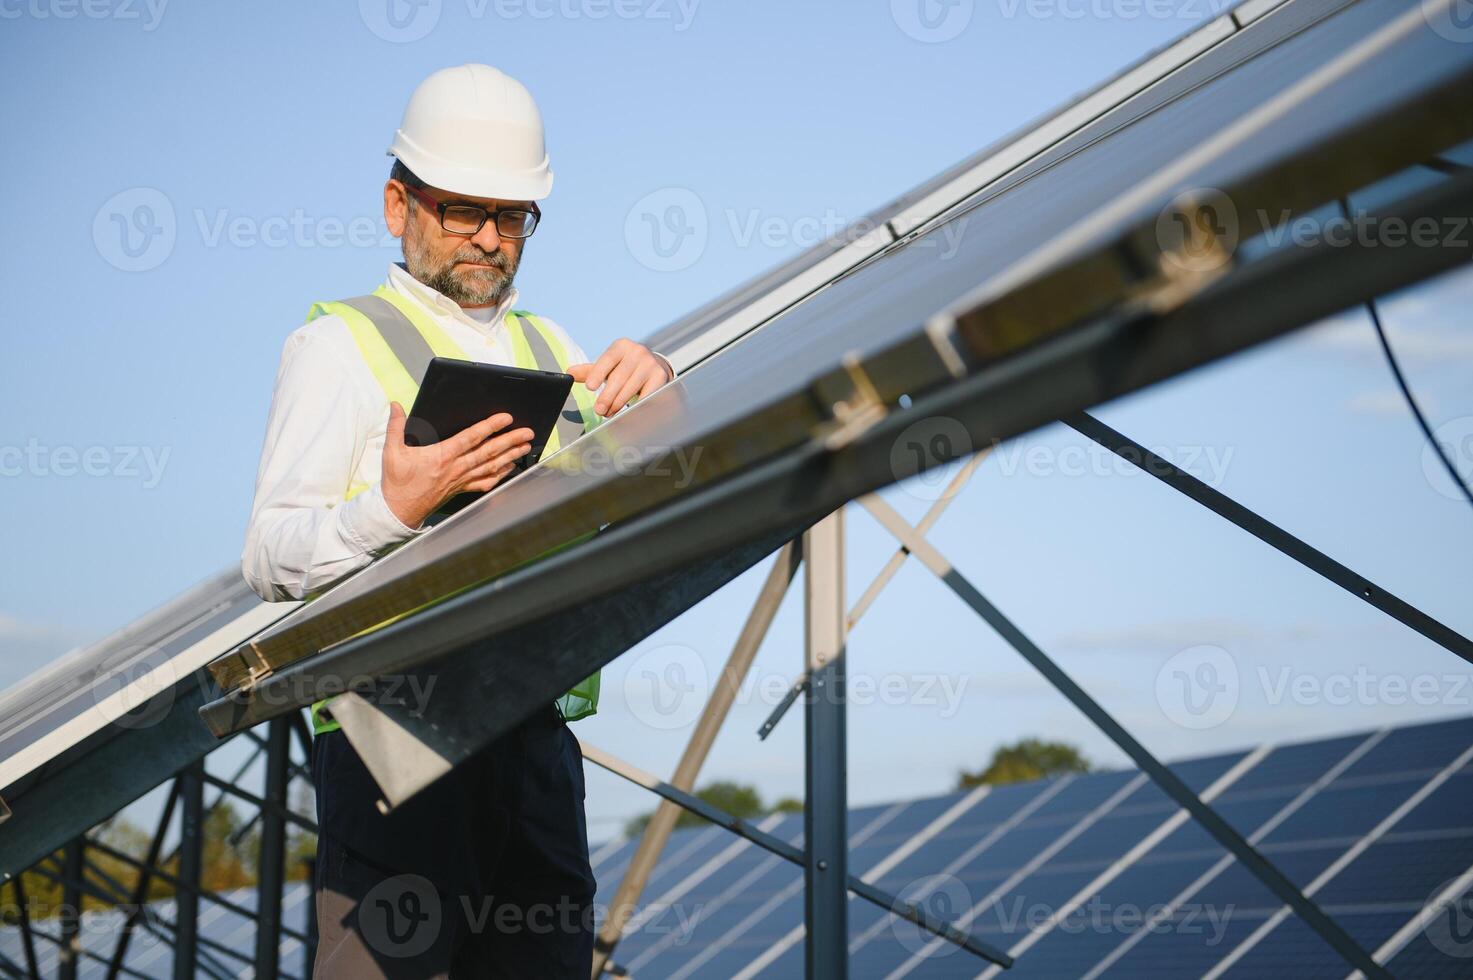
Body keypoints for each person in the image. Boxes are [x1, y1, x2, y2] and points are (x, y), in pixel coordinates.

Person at [240, 64, 675, 978]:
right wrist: (389, 509)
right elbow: (270, 556)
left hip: (536, 748)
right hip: (392, 742)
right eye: (460, 211)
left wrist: (663, 403)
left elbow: (630, 519)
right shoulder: (335, 347)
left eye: (510, 215)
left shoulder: (557, 352)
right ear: (399, 206)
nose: (488, 238)